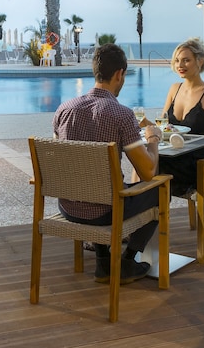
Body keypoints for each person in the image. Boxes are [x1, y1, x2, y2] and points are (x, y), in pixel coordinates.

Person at [53, 43, 163, 285]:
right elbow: (147, 172)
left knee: (97, 187)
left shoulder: (64, 110)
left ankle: (103, 262)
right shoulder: (121, 115)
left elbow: (63, 161)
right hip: (104, 213)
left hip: (68, 207)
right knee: (159, 190)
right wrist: (153, 140)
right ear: (119, 74)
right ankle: (126, 261)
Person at [158, 38, 204, 197]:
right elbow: (163, 126)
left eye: (186, 60)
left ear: (200, 61)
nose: (180, 65)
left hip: (203, 165)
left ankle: (136, 206)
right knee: (145, 161)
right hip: (175, 158)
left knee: (151, 167)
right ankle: (142, 208)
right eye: (177, 60)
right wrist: (144, 123)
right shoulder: (174, 89)